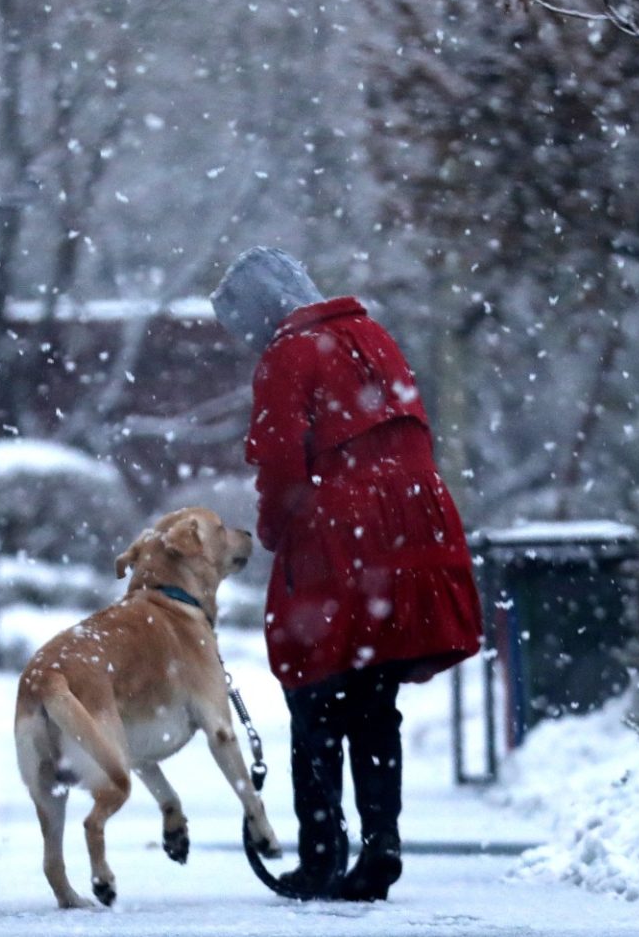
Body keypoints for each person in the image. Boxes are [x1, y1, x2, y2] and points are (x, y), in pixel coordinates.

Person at [209, 247, 483, 902]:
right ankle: (381, 846)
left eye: (246, 325)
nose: (250, 341)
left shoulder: (289, 353)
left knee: (315, 690)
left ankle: (323, 853)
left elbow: (280, 459)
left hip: (340, 530)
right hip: (413, 523)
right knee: (373, 692)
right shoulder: (373, 336)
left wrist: (273, 529)